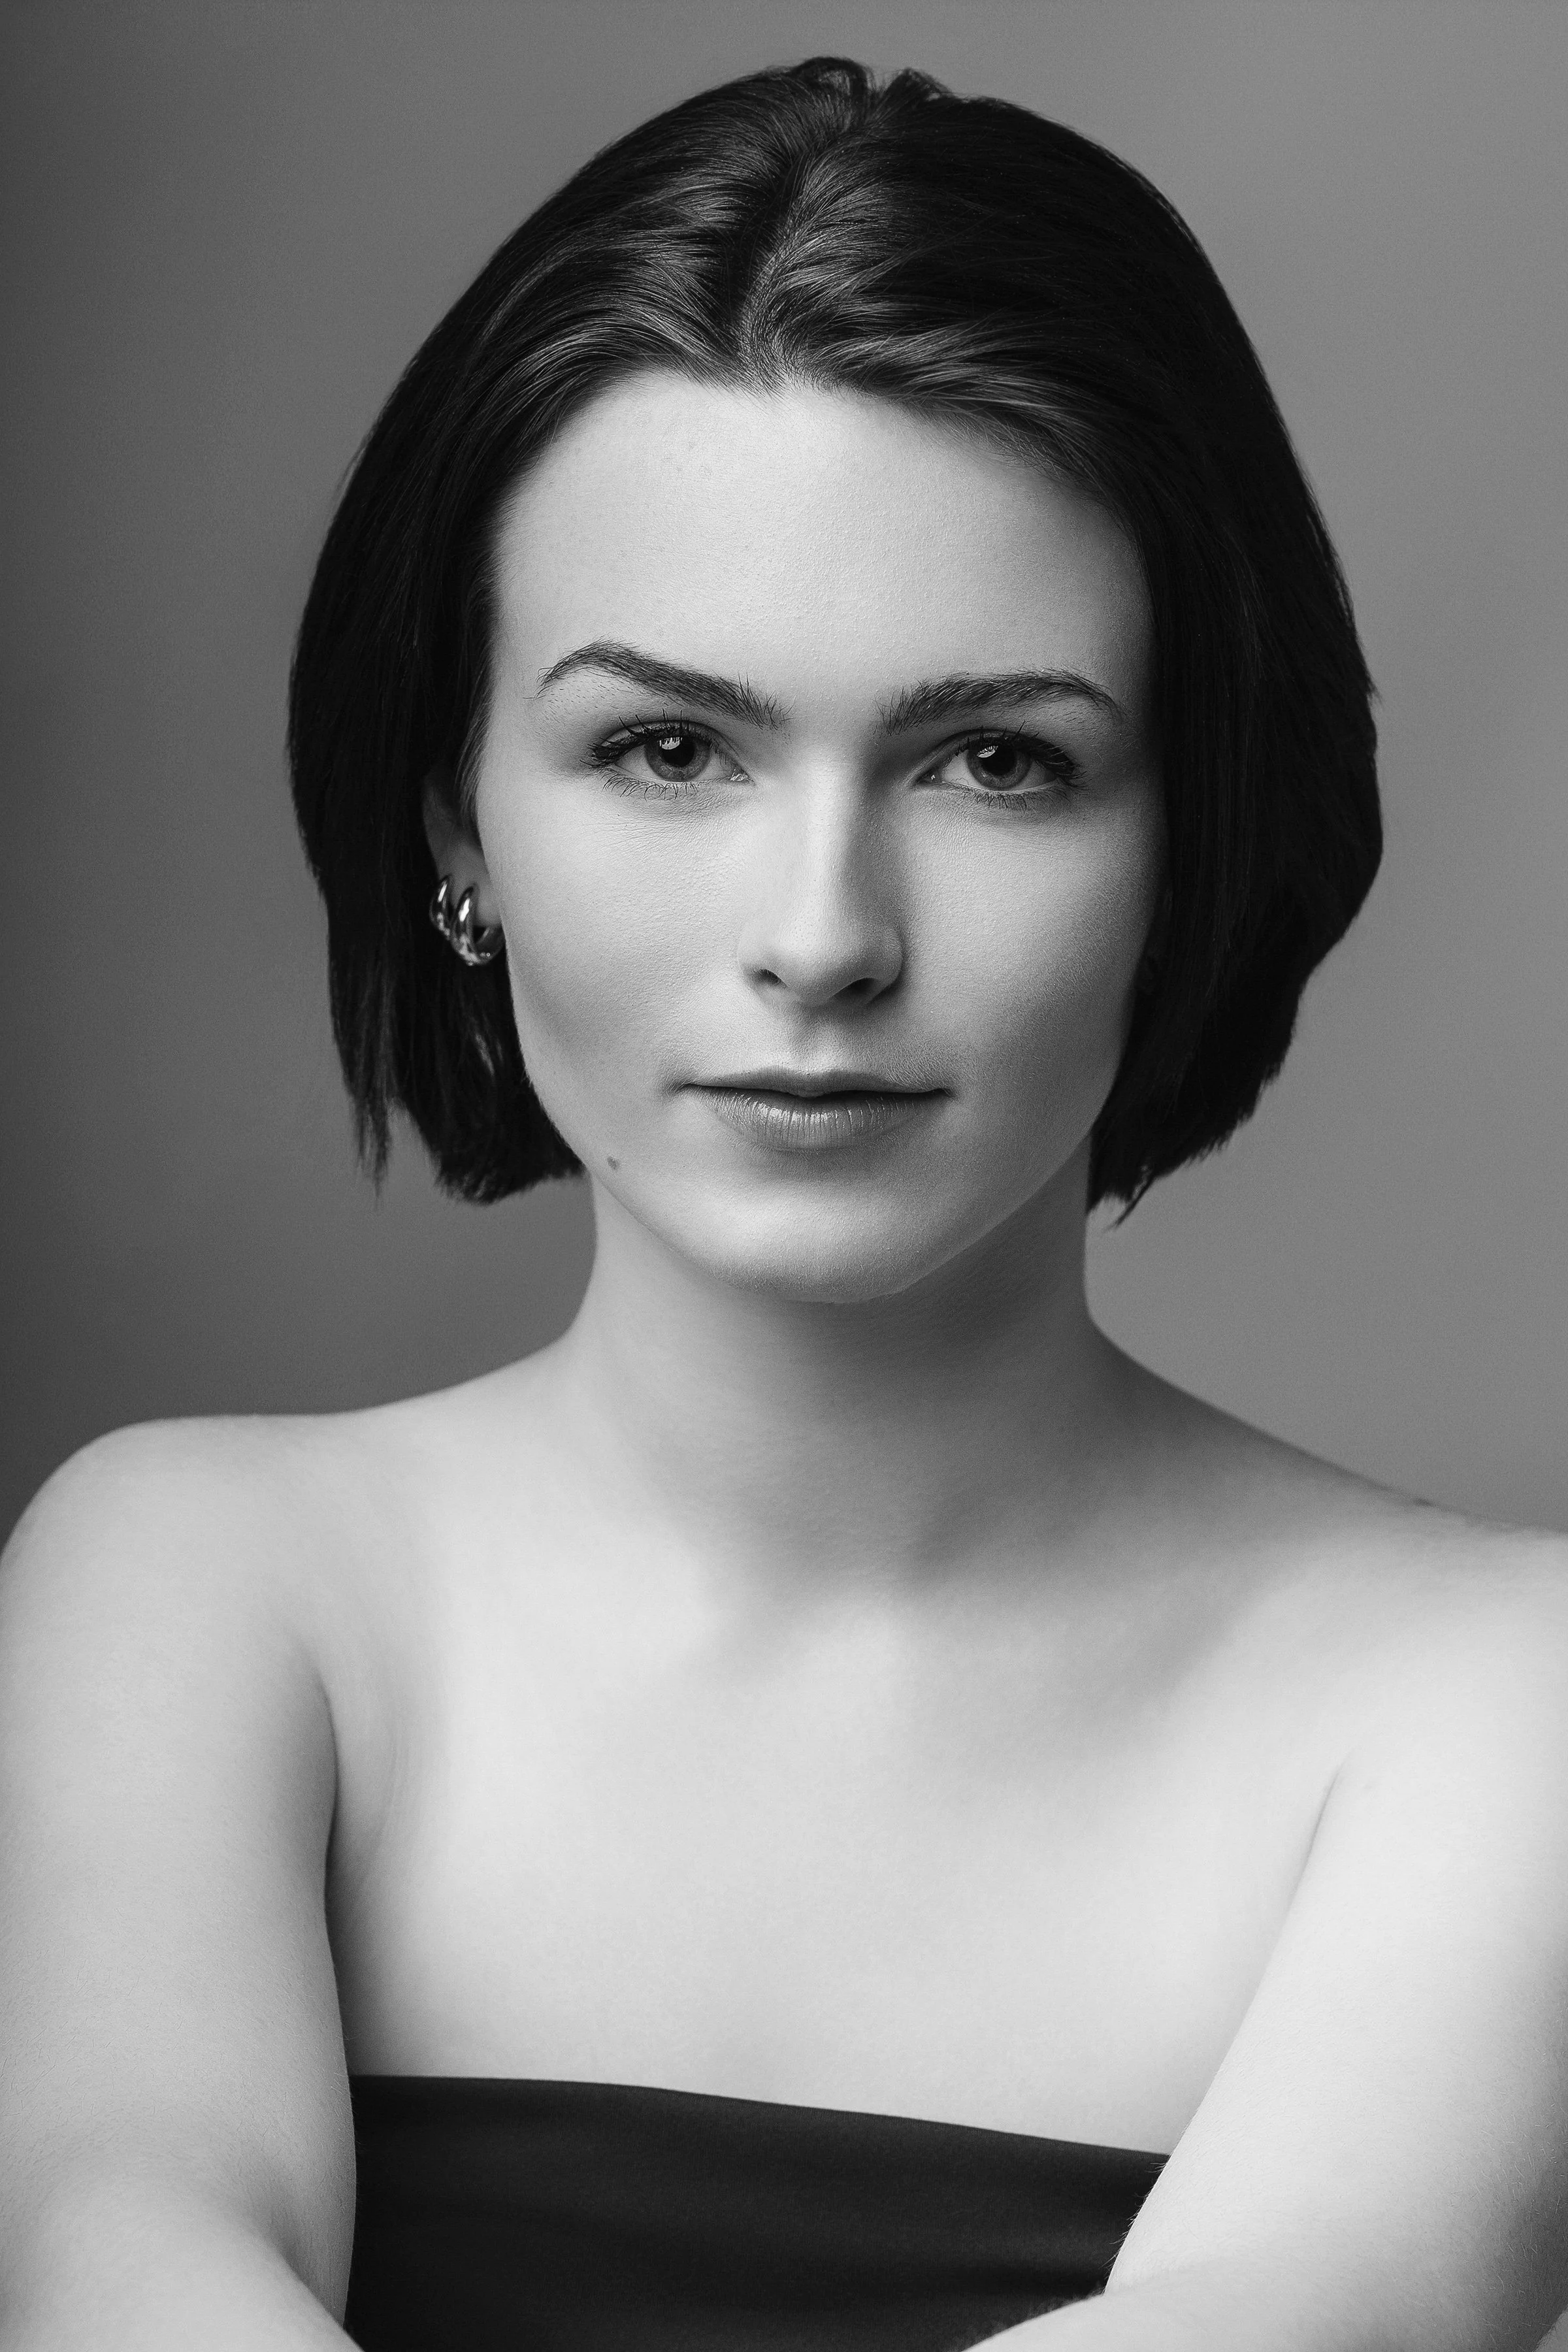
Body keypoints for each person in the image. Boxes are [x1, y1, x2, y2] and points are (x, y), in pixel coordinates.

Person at [1, 52, 1565, 2352]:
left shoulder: (1499, 1709)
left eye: (998, 763)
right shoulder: (196, 1590)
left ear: (1190, 841)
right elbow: (115, 2264)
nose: (823, 934)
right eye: (667, 751)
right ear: (458, 826)